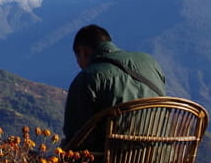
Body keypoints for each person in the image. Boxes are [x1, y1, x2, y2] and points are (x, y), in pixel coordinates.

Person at [62, 24, 165, 152]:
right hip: (163, 160)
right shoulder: (151, 63)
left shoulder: (88, 78)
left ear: (83, 52)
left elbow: (74, 137)